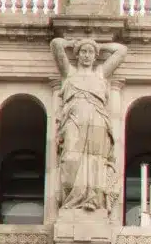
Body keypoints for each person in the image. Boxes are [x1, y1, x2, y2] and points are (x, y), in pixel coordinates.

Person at [52, 37, 129, 215]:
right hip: (73, 121)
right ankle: (72, 200)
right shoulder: (69, 73)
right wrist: (74, 43)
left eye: (91, 53)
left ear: (96, 57)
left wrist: (99, 45)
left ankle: (92, 200)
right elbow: (56, 44)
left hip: (97, 121)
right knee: (70, 160)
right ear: (77, 55)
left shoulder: (100, 74)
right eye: (84, 52)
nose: (87, 56)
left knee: (95, 162)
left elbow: (121, 50)